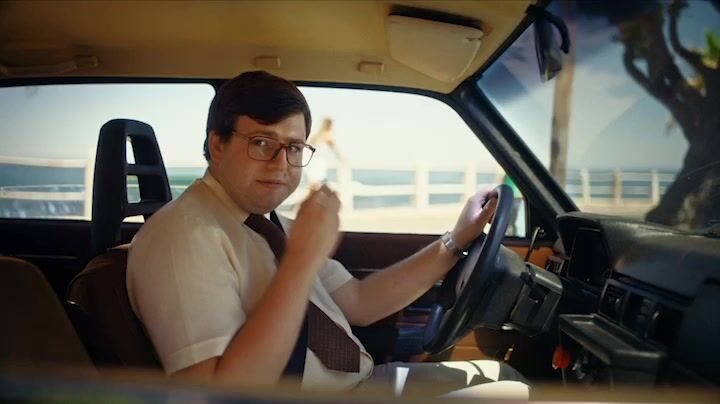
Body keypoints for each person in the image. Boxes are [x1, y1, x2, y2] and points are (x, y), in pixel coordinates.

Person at [127, 71, 528, 398]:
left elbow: (359, 302)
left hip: (362, 385)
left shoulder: (265, 222)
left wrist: (454, 241)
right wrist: (301, 261)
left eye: (295, 147)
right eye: (261, 143)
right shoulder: (184, 236)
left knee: (507, 375)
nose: (281, 164)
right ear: (218, 145)